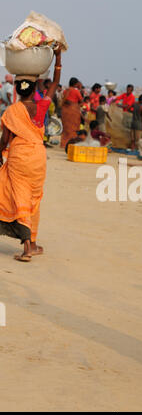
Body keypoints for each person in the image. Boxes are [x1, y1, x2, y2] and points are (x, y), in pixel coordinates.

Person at [0, 48, 62, 262]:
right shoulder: (42, 106)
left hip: (19, 157)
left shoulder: (12, 111)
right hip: (37, 158)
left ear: (16, 88)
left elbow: (5, 139)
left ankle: (27, 247)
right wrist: (58, 56)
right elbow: (54, 84)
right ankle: (33, 243)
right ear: (35, 88)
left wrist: (0, 153)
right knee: (34, 198)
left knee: (19, 196)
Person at [60, 77, 83, 148]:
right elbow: (81, 101)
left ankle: (64, 144)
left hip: (65, 112)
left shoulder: (65, 91)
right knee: (73, 128)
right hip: (73, 112)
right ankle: (71, 143)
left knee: (66, 128)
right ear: (76, 84)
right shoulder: (76, 91)